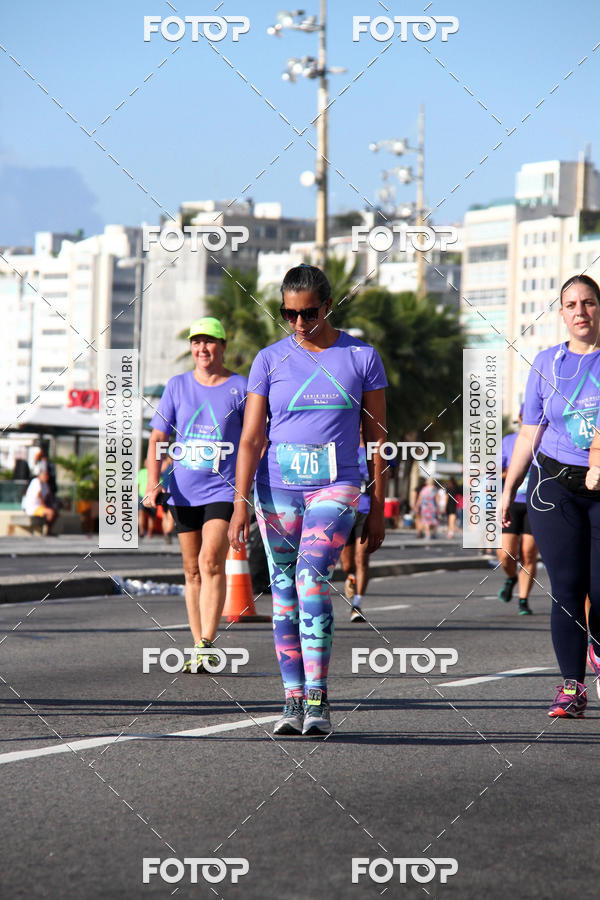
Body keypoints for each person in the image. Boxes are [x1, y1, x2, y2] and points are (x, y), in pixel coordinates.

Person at [228, 264, 387, 736]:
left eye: (309, 313)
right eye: (289, 314)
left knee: (310, 580)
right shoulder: (268, 360)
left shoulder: (361, 357)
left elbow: (377, 437)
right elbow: (251, 438)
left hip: (336, 486)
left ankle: (317, 695)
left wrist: (377, 506)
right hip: (276, 488)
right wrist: (239, 504)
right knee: (283, 593)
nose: (299, 323)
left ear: (328, 306)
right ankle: (292, 698)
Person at [502, 274, 600, 717]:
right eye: (572, 304)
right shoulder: (546, 363)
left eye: (589, 302)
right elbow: (530, 432)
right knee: (567, 586)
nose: (581, 311)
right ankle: (572, 687)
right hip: (553, 486)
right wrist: (509, 489)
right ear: (561, 313)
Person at [145, 317, 247, 672]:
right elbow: (158, 438)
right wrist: (153, 483)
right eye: (196, 342)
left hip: (223, 489)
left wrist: (248, 491)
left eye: (210, 341)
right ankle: (197, 643)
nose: (202, 348)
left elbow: (255, 440)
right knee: (191, 570)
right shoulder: (177, 385)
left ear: (223, 346)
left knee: (210, 562)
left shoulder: (241, 387)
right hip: (182, 492)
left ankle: (207, 642)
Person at [497, 406, 538, 615]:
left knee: (528, 553)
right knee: (506, 553)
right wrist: (515, 472)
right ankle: (511, 577)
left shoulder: (545, 440)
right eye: (524, 416)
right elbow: (496, 470)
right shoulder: (509, 441)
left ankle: (523, 600)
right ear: (520, 418)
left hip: (536, 502)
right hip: (512, 501)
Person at [341, 438, 374, 623]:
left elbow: (388, 474)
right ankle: (351, 576)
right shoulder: (342, 442)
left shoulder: (378, 447)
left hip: (366, 510)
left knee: (362, 558)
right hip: (344, 509)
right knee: (347, 564)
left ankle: (357, 606)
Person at [22, 470, 58, 535]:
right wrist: (45, 505)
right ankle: (47, 531)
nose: (47, 477)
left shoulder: (44, 484)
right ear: (40, 475)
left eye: (47, 475)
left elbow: (48, 495)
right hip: (33, 508)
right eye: (45, 475)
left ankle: (48, 530)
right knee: (50, 512)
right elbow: (39, 495)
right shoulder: (36, 481)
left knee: (55, 513)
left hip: (39, 507)